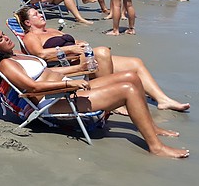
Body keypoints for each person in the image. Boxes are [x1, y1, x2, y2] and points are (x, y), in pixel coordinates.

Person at [0, 26, 189, 158]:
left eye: (3, 35)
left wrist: (79, 70)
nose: (6, 38)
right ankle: (156, 147)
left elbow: (48, 72)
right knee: (126, 89)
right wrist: (70, 85)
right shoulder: (8, 65)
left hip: (62, 91)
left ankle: (153, 127)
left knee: (131, 76)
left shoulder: (17, 55)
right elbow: (33, 88)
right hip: (53, 102)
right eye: (0, 39)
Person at [15, 7, 189, 111]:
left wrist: (78, 43)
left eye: (39, 12)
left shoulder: (51, 30)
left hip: (83, 56)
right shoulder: (31, 36)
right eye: (35, 14)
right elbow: (41, 55)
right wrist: (70, 48)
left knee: (135, 63)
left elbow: (73, 43)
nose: (40, 15)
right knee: (102, 52)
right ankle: (115, 103)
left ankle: (163, 100)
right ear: (28, 23)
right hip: (72, 64)